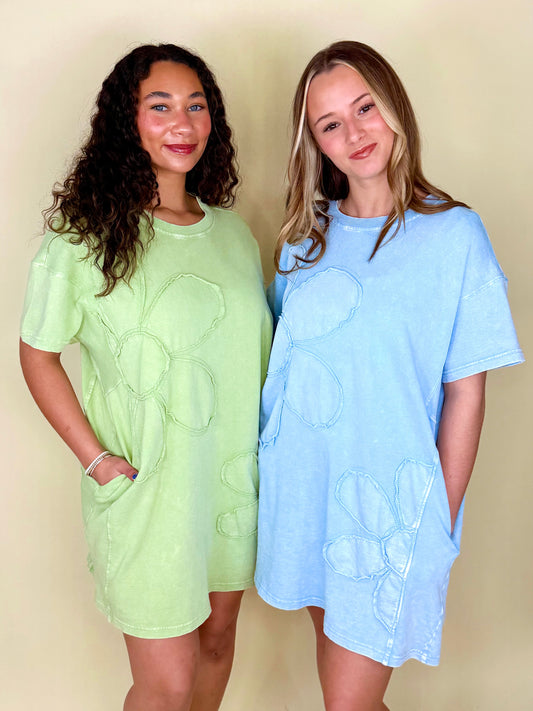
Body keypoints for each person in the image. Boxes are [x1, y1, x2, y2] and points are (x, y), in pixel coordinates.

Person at [255, 40, 523, 710]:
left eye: (364, 108)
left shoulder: (454, 235)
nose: (354, 133)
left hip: (387, 510)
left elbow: (465, 392)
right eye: (330, 124)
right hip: (303, 494)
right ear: (316, 145)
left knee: (347, 701)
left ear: (393, 105)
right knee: (344, 693)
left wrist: (438, 517)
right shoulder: (303, 240)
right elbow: (285, 369)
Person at [20, 43, 271, 711]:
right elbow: (37, 354)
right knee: (167, 683)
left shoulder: (234, 235)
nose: (181, 123)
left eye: (196, 106)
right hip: (150, 492)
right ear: (125, 121)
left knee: (216, 646)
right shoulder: (83, 237)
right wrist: (96, 460)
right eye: (160, 106)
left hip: (231, 490)